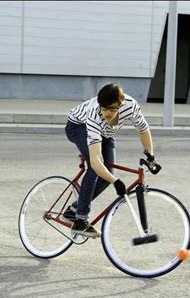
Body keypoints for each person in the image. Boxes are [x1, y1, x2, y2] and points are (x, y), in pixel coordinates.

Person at [64, 82, 156, 238]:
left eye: (112, 109)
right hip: (78, 126)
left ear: (121, 105)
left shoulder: (131, 106)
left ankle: (74, 209)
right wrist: (116, 181)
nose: (107, 112)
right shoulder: (94, 114)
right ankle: (80, 220)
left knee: (107, 175)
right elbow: (95, 161)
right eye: (104, 108)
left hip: (106, 133)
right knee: (95, 169)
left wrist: (150, 156)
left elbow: (143, 129)